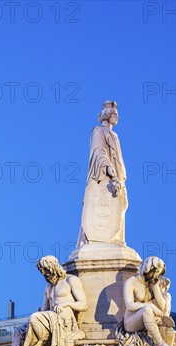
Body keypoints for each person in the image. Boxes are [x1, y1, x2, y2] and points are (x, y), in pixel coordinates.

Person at [11, 256, 88, 346]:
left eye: (46, 270)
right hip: (49, 319)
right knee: (18, 331)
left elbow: (84, 304)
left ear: (54, 268)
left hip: (64, 322)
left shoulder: (70, 280)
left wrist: (67, 304)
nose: (44, 273)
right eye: (42, 271)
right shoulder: (48, 288)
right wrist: (40, 312)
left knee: (34, 318)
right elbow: (44, 310)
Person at [77, 100, 128, 246]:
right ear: (107, 115)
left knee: (121, 204)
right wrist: (108, 167)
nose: (117, 117)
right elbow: (98, 151)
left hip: (117, 179)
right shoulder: (98, 131)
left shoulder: (115, 136)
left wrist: (119, 175)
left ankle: (116, 237)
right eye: (114, 114)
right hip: (102, 176)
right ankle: (94, 238)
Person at [123, 256, 172, 346]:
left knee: (166, 296)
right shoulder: (131, 282)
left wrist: (155, 287)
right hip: (131, 321)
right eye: (156, 271)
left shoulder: (151, 283)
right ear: (148, 268)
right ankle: (161, 344)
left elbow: (161, 306)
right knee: (147, 310)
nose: (157, 275)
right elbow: (129, 305)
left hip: (147, 318)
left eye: (159, 273)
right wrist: (150, 306)